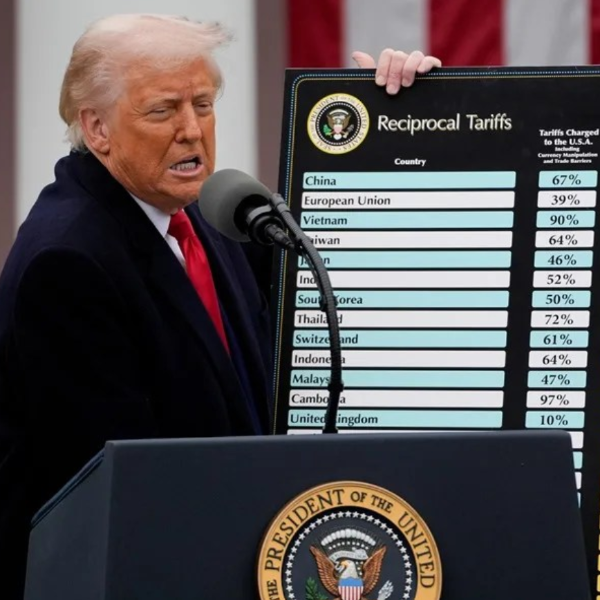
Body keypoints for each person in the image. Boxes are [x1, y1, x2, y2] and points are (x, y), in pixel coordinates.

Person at [0, 13, 441, 598]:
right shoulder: (68, 261)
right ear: (97, 127)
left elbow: (340, 276)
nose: (192, 131)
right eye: (163, 110)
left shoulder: (206, 213)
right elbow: (120, 496)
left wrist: (395, 123)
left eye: (203, 105)